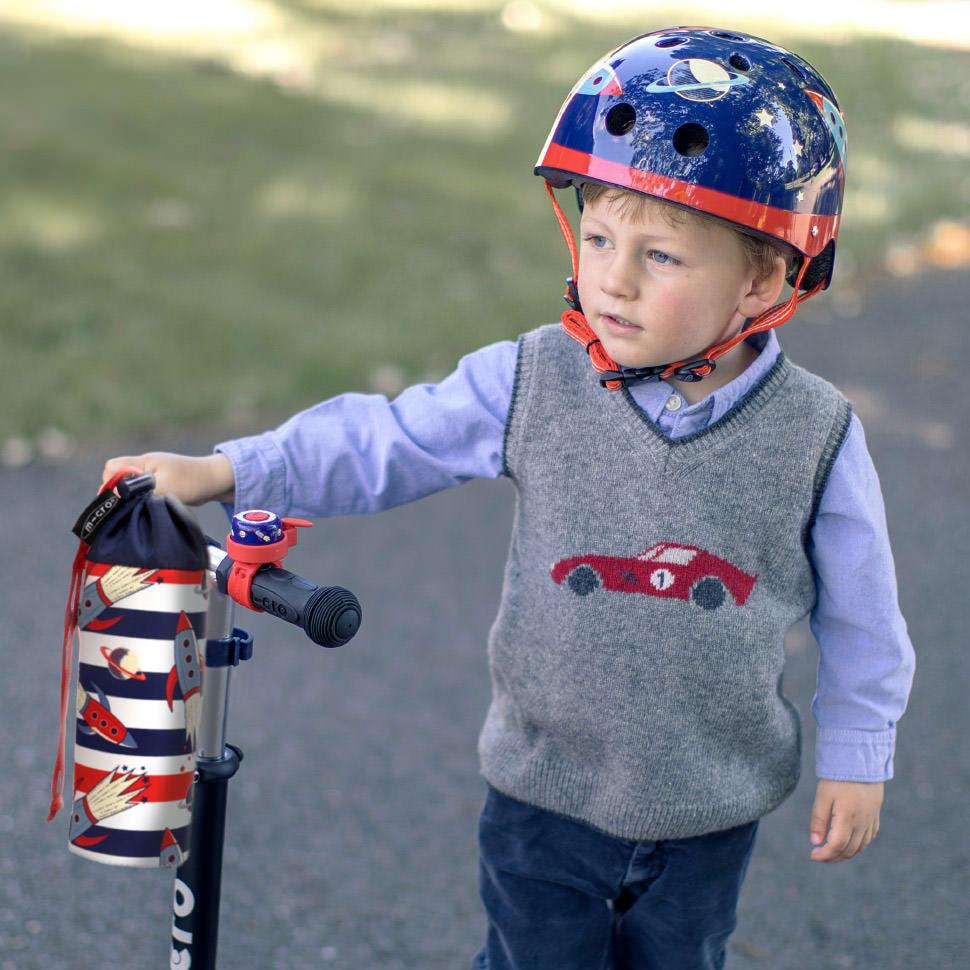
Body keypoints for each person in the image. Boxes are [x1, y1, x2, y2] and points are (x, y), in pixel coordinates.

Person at [103, 27, 915, 970]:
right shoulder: (537, 378)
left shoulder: (815, 434)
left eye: (661, 257)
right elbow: (387, 439)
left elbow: (865, 616)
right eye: (602, 236)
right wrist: (230, 468)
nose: (611, 278)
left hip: (708, 809)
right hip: (545, 795)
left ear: (766, 278)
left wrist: (859, 755)